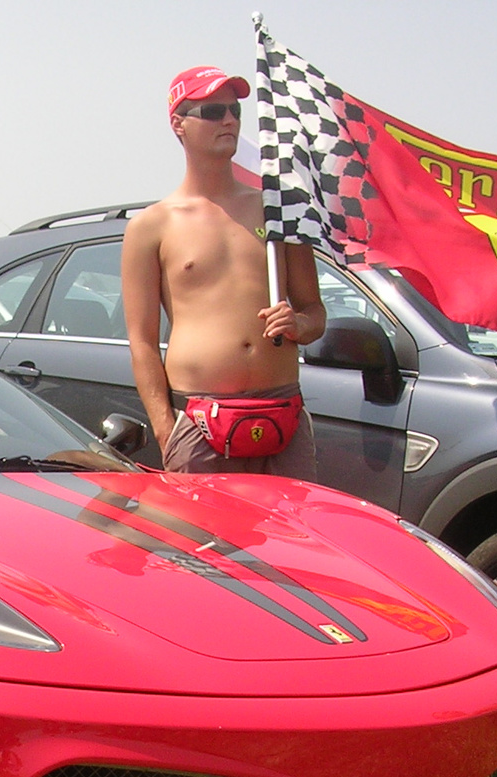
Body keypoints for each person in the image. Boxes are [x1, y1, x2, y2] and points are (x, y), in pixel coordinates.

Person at [121, 65, 326, 475]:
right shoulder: (151, 226)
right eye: (213, 111)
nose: (229, 119)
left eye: (234, 110)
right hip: (197, 421)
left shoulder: (278, 210)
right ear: (179, 123)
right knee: (199, 541)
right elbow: (141, 342)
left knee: (290, 539)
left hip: (282, 412)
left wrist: (298, 324)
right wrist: (166, 429)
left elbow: (315, 313)